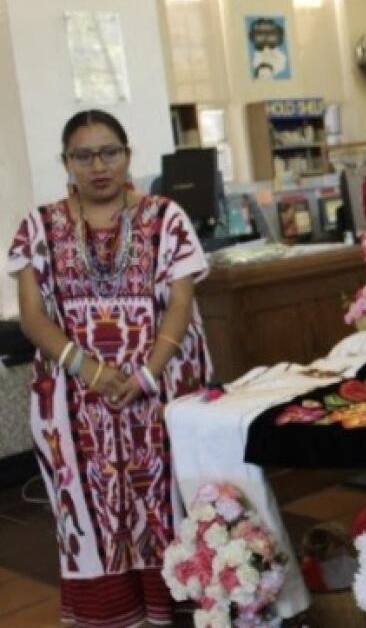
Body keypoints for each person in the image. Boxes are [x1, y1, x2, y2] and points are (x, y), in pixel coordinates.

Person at [8, 110, 213, 628]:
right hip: (74, 404)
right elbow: (34, 318)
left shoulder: (166, 218)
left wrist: (146, 374)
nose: (98, 165)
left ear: (128, 155)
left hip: (158, 394)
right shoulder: (39, 227)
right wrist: (92, 371)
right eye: (84, 155)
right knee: (90, 515)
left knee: (166, 509)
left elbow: (180, 305)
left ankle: (177, 612)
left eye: (110, 152)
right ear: (66, 163)